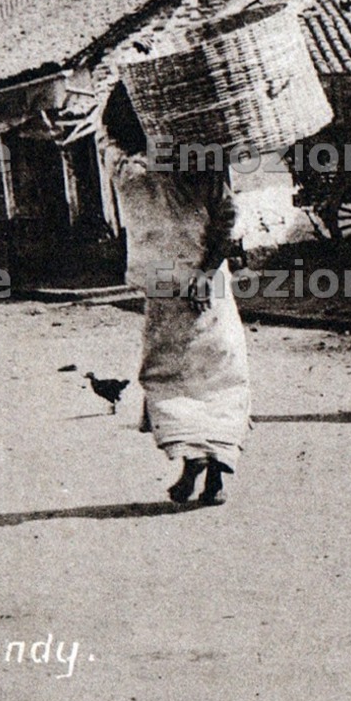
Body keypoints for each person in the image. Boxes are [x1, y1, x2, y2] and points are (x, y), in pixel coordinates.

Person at [100, 88, 249, 506]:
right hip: (201, 286)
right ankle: (210, 469)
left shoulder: (122, 167)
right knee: (219, 375)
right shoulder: (200, 161)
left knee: (171, 377)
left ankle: (194, 465)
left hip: (167, 287)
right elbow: (227, 218)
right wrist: (206, 272)